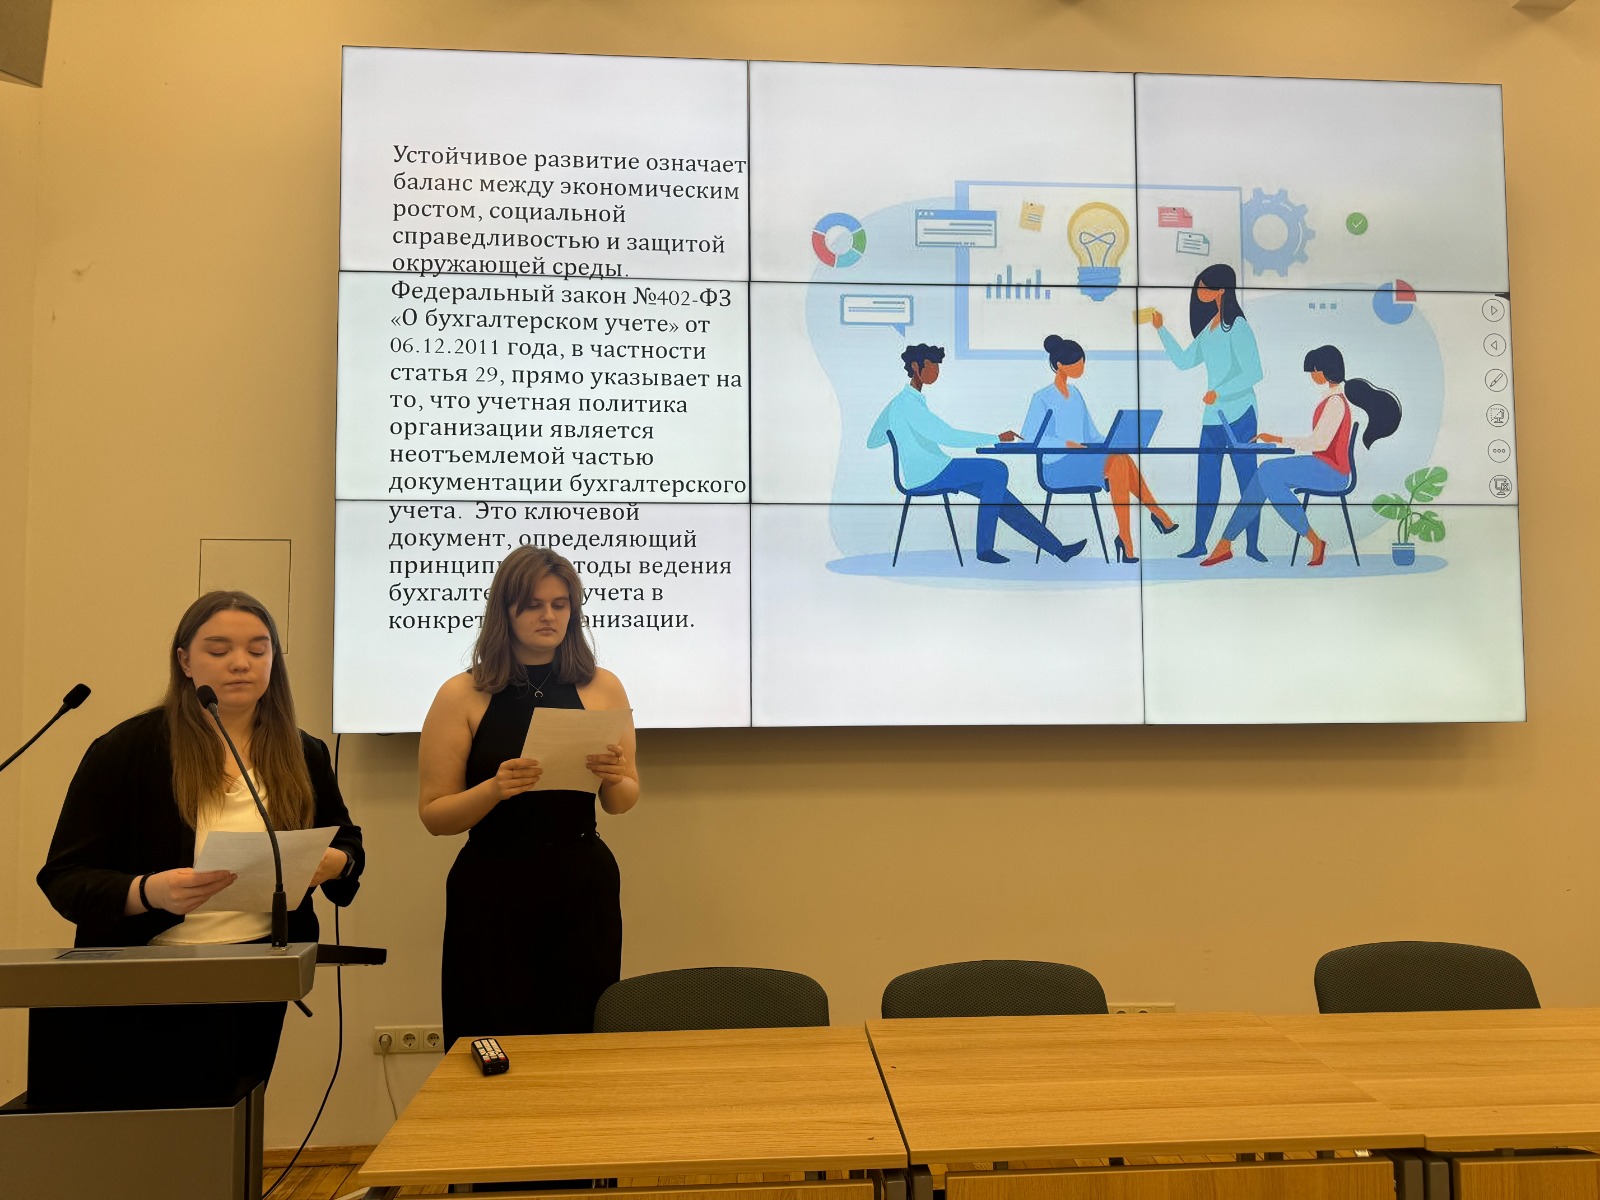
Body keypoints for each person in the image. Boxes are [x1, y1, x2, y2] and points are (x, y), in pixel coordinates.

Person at [35, 590, 364, 1109]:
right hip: (147, 976)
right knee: (159, 1130)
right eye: (219, 649)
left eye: (258, 649)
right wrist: (149, 892)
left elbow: (345, 839)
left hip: (259, 971)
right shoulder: (127, 750)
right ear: (185, 661)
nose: (241, 662)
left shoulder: (303, 751)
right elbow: (64, 877)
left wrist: (336, 863)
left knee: (236, 1119)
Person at [419, 545, 639, 1048]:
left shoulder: (602, 686)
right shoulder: (463, 693)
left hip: (582, 882)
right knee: (489, 1033)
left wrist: (615, 776)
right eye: (534, 605)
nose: (549, 616)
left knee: (579, 1035)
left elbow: (623, 800)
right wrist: (494, 789)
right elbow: (435, 816)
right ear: (506, 611)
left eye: (560, 605)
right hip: (493, 885)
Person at [868, 343, 1088, 565]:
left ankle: (1058, 549)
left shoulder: (903, 401)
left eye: (937, 365)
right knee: (996, 469)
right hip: (931, 473)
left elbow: (873, 440)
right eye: (931, 364)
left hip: (934, 470)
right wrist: (996, 437)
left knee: (999, 495)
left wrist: (897, 432)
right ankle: (984, 549)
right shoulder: (908, 403)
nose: (936, 370)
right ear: (916, 367)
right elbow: (948, 436)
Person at [1202, 344, 1402, 568]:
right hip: (1322, 466)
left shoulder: (1335, 403)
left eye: (1313, 371)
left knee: (1267, 473)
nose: (1312, 375)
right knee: (1263, 475)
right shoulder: (1331, 398)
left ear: (1324, 370)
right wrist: (1274, 439)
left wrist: (1277, 439)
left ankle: (1315, 542)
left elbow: (1319, 443)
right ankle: (1225, 543)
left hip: (1332, 473)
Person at [1012, 335, 1179, 564]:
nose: (1081, 368)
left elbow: (1091, 435)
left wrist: (1112, 441)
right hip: (1056, 468)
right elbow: (1029, 438)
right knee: (1119, 461)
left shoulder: (1076, 395)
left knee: (1120, 457)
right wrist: (1066, 443)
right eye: (1077, 364)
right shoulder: (1042, 398)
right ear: (1060, 365)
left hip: (1080, 461)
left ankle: (1129, 537)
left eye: (1082, 363)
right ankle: (1150, 521)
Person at [1148, 264, 1267, 561]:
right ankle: (1200, 543)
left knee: (1248, 482)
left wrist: (1220, 392)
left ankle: (1252, 545)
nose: (1199, 292)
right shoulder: (1208, 330)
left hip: (1240, 414)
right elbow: (1184, 361)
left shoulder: (1238, 327)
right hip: (1213, 417)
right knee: (1207, 483)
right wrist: (1161, 329)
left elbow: (1254, 372)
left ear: (1221, 290)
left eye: (1204, 287)